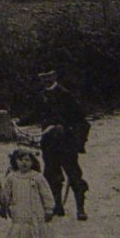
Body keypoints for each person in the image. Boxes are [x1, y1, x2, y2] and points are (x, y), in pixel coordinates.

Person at [34, 69, 90, 220]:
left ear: (55, 76)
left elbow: (81, 120)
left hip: (66, 144)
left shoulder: (66, 95)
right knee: (51, 174)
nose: (46, 80)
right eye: (43, 77)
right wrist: (18, 122)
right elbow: (35, 114)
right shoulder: (41, 96)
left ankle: (80, 209)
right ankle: (57, 206)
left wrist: (73, 137)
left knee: (74, 175)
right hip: (49, 143)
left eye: (49, 76)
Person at [4, 148, 55, 238]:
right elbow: (6, 194)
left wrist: (49, 209)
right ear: (15, 161)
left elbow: (46, 194)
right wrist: (5, 207)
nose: (24, 163)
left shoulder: (37, 177)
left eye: (27, 160)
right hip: (21, 213)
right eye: (20, 160)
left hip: (35, 213)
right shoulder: (11, 177)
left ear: (32, 162)